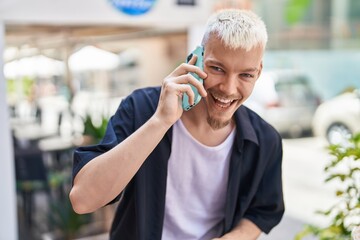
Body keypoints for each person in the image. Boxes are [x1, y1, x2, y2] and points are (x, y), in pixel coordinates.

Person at [70, 8, 284, 240]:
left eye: (245, 75)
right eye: (217, 69)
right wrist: (160, 121)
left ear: (259, 72)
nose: (229, 88)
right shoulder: (141, 108)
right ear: (196, 58)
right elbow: (83, 200)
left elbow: (263, 210)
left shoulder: (266, 140)